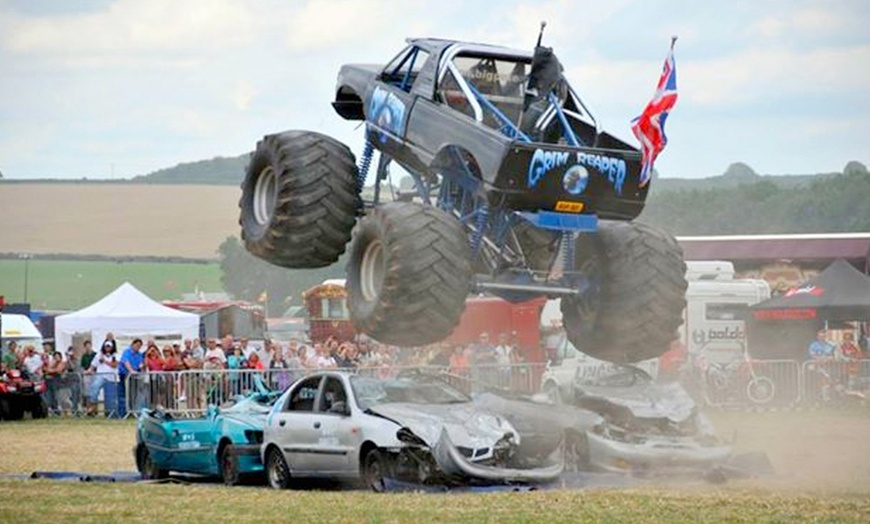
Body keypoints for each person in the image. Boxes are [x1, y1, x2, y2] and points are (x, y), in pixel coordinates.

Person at [88, 341, 119, 417]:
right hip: (101, 375)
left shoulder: (115, 355)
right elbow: (93, 365)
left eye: (109, 346)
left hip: (112, 378)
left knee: (110, 398)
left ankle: (110, 415)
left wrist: (104, 361)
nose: (107, 348)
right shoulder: (99, 354)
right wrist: (89, 370)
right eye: (106, 346)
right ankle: (92, 406)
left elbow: (114, 365)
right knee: (94, 388)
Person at [118, 339, 145, 417]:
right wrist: (131, 370)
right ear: (132, 344)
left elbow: (140, 364)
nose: (138, 347)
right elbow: (125, 361)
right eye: (137, 345)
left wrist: (141, 367)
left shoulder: (139, 354)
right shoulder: (127, 352)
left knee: (133, 395)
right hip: (125, 375)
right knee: (124, 394)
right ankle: (122, 413)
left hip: (135, 377)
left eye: (140, 346)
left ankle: (132, 412)